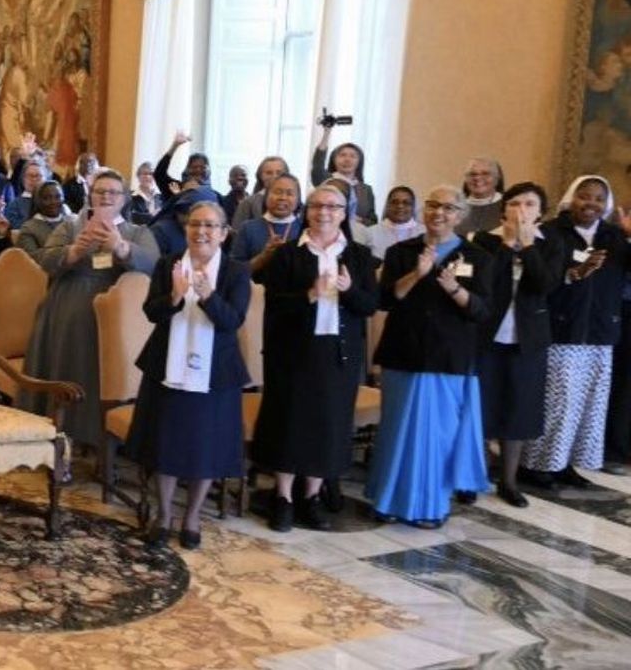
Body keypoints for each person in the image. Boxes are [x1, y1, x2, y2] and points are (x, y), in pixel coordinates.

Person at [250, 186, 380, 532]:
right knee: (288, 423)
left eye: (333, 206)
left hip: (338, 355)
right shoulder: (287, 255)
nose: (324, 212)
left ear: (344, 213)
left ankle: (311, 495)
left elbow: (370, 305)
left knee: (329, 425)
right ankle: (283, 497)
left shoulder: (360, 256)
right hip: (292, 353)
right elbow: (274, 307)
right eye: (318, 205)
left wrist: (349, 290)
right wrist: (310, 294)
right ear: (308, 211)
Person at [125, 201, 250, 550]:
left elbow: (232, 321)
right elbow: (151, 312)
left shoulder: (236, 272)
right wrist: (175, 297)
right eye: (195, 225)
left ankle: (192, 516)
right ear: (186, 229)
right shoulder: (168, 265)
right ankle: (164, 515)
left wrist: (209, 296)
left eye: (211, 226)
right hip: (167, 368)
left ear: (224, 233)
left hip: (215, 374)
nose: (202, 232)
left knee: (204, 450)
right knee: (165, 445)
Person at [366, 185, 493, 527]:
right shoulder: (401, 252)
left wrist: (453, 289)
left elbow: (482, 311)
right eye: (434, 205)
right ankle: (387, 500)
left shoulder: (478, 257)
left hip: (449, 359)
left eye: (449, 208)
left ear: (460, 215)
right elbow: (385, 301)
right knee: (395, 432)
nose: (440, 213)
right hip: (403, 353)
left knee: (438, 437)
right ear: (424, 211)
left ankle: (431, 506)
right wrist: (417, 274)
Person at [21, 169, 159, 449]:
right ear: (90, 195)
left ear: (123, 199)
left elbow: (154, 264)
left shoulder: (137, 231)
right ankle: (61, 438)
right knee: (68, 371)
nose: (106, 196)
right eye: (100, 191)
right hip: (69, 308)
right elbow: (43, 260)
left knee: (107, 376)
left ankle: (106, 443)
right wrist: (74, 252)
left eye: (113, 192)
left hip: (120, 315)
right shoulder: (71, 225)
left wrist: (122, 249)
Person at [519, 175, 627, 489]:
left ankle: (564, 463)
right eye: (584, 196)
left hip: (599, 333)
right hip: (560, 332)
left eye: (597, 198)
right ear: (571, 198)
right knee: (558, 404)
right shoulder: (552, 232)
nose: (590, 204)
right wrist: (573, 275)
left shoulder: (614, 236)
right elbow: (538, 281)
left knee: (589, 406)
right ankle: (537, 465)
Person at [471, 183, 563, 506]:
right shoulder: (484, 240)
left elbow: (546, 285)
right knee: (480, 407)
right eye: (515, 203)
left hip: (528, 339)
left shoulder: (551, 244)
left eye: (530, 203)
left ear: (541, 212)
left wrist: (527, 248)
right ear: (504, 209)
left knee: (518, 410)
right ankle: (474, 476)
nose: (522, 209)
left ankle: (508, 482)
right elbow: (485, 284)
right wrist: (508, 246)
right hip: (487, 337)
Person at [229, 173, 303, 273]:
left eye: (289, 193)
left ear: (298, 200)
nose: (283, 197)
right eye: (278, 192)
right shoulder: (248, 228)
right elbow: (233, 272)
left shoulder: (304, 228)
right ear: (266, 196)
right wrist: (263, 257)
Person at [310, 129, 376, 226]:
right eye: (342, 155)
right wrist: (327, 133)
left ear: (359, 162)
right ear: (334, 159)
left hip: (357, 235)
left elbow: (373, 220)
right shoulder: (326, 181)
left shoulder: (366, 190)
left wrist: (360, 221)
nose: (347, 159)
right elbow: (318, 164)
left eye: (353, 156)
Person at [363, 185, 424, 261]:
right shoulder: (370, 233)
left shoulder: (424, 233)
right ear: (387, 205)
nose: (400, 206)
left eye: (406, 203)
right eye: (395, 202)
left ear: (413, 206)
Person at [231, 156, 293, 227]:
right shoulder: (247, 204)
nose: (274, 176)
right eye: (269, 173)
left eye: (279, 173)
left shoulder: (294, 202)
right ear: (261, 176)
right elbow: (237, 233)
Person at [455, 156, 505, 236]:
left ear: (497, 178)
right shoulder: (456, 208)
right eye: (472, 174)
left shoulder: (508, 206)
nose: (477, 178)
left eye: (485, 174)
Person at [3, 159, 49, 230]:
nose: (33, 179)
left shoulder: (53, 202)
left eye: (38, 176)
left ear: (45, 178)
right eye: (30, 176)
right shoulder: (14, 205)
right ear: (23, 179)